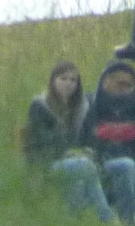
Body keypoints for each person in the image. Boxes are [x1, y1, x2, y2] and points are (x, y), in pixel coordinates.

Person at [21, 61, 107, 216]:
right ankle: (107, 217)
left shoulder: (83, 108)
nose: (68, 84)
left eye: (73, 80)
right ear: (53, 81)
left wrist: (89, 150)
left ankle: (76, 220)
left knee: (116, 165)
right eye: (63, 78)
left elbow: (92, 138)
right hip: (46, 165)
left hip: (77, 160)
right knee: (84, 166)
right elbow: (40, 142)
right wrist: (68, 152)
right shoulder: (40, 106)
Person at [86, 60, 135, 226]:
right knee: (126, 165)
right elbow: (94, 146)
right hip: (103, 168)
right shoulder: (91, 106)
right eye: (120, 84)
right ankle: (128, 221)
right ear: (106, 81)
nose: (124, 89)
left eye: (129, 86)